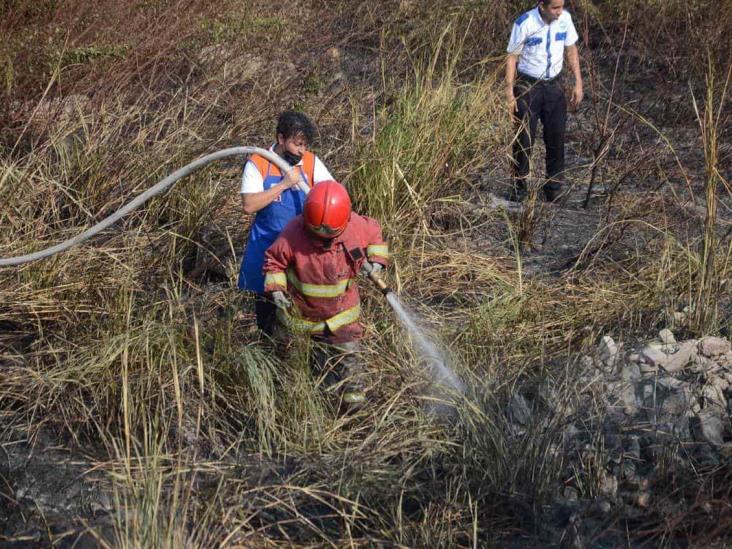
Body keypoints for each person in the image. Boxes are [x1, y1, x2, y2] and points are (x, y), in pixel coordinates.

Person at [262, 180, 389, 406]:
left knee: (350, 368)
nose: (322, 241)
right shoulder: (292, 233)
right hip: (298, 320)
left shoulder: (356, 226)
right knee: (290, 370)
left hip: (341, 320)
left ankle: (354, 412)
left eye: (329, 236)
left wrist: (377, 260)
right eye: (316, 234)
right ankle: (295, 407)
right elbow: (274, 263)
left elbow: (375, 235)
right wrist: (276, 290)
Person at [238, 111, 334, 335]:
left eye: (305, 145)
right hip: (266, 249)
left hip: (301, 254)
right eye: (297, 144)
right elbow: (249, 205)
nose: (301, 151)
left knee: (304, 314)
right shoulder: (258, 163)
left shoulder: (310, 162)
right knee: (269, 318)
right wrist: (282, 185)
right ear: (281, 139)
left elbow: (331, 193)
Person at [505, 0, 583, 203]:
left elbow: (571, 49)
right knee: (524, 139)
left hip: (554, 87)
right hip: (528, 87)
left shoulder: (565, 19)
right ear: (542, 5)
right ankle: (519, 187)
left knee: (556, 138)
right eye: (554, 8)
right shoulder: (524, 23)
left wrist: (578, 81)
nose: (559, 12)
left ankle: (553, 188)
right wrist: (509, 93)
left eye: (561, 7)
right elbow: (512, 57)